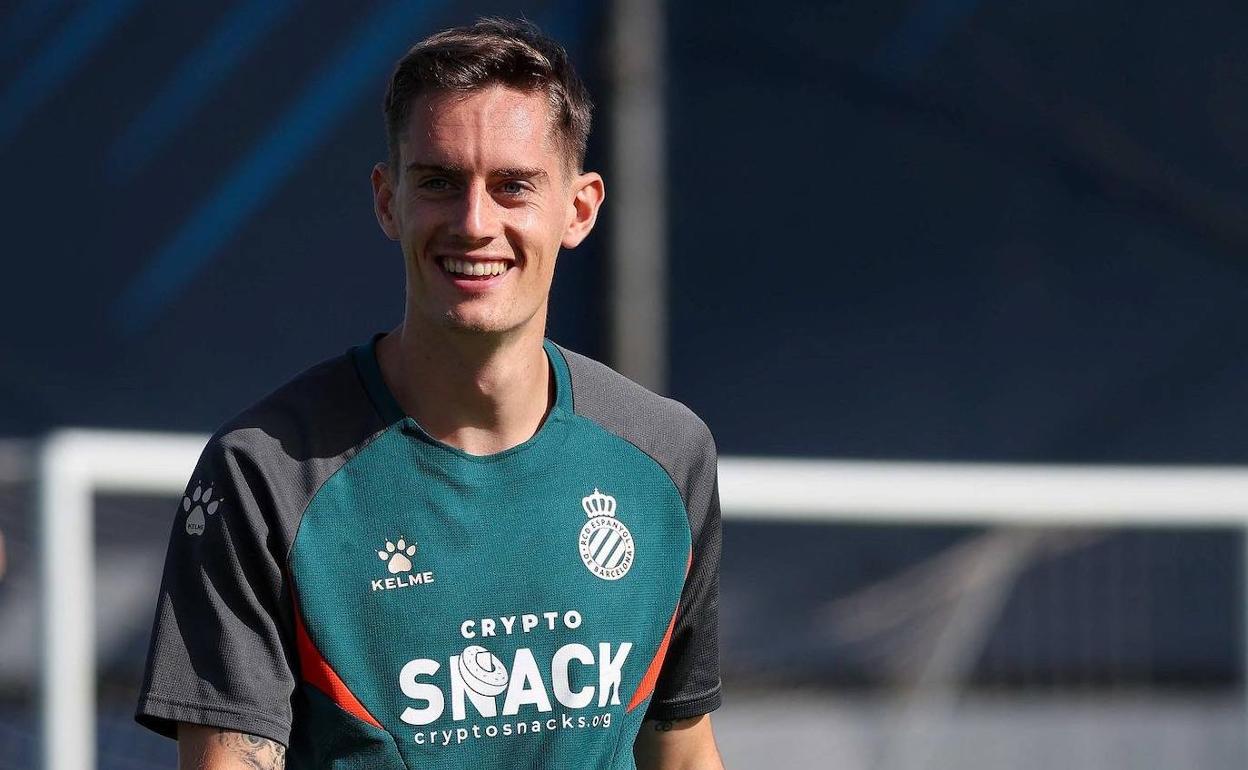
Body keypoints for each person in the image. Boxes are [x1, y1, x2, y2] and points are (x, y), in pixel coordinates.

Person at [136, 17, 724, 770]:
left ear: (578, 209)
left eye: (513, 186)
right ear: (388, 201)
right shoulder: (262, 476)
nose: (475, 224)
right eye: (440, 183)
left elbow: (680, 751)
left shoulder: (668, 457)